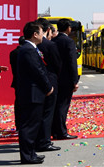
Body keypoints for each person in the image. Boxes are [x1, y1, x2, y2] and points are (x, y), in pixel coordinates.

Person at [17, 21, 53, 164]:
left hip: (33, 93)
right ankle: (27, 156)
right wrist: (48, 87)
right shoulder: (28, 49)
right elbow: (37, 71)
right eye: (41, 32)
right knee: (29, 126)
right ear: (35, 34)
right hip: (32, 93)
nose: (43, 35)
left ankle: (31, 153)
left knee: (33, 125)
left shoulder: (29, 48)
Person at [35, 19, 62, 152]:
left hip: (37, 83)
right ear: (48, 30)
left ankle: (39, 140)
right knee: (47, 114)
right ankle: (44, 142)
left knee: (39, 113)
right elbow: (57, 65)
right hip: (50, 81)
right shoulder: (50, 45)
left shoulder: (34, 45)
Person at [51, 19, 79, 140]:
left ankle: (55, 131)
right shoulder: (68, 41)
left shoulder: (53, 41)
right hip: (66, 79)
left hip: (54, 78)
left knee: (56, 105)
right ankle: (62, 132)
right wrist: (75, 80)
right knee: (63, 106)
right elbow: (72, 62)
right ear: (68, 28)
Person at [10, 36, 26, 131]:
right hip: (25, 81)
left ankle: (18, 124)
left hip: (16, 80)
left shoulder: (13, 53)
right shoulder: (24, 52)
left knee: (18, 103)